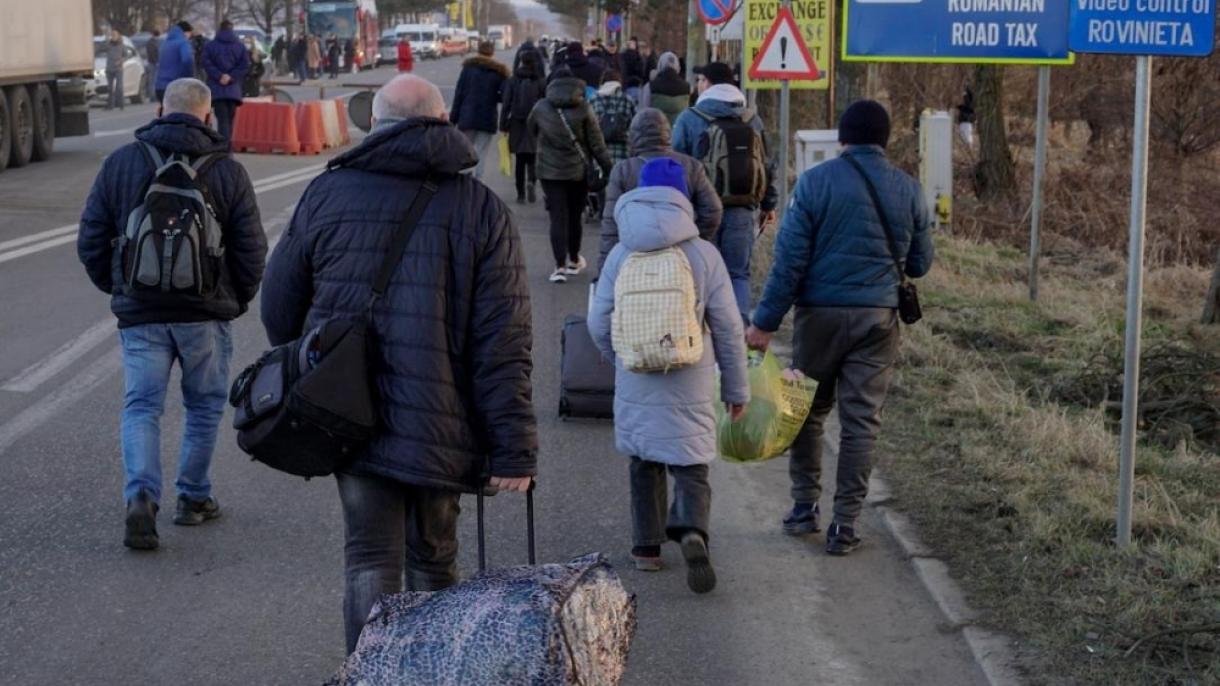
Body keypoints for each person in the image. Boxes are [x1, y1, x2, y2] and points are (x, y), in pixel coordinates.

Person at [259, 74, 537, 654]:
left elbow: (280, 309)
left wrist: (312, 369)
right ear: (443, 122)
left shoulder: (327, 193)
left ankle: (371, 672)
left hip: (347, 414)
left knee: (368, 559)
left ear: (373, 124)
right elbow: (502, 339)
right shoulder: (481, 208)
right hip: (443, 422)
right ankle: (432, 669)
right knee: (435, 561)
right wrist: (512, 446)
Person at [77, 77, 267, 551]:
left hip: (141, 313)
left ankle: (141, 493)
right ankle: (193, 497)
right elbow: (251, 249)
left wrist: (119, 287)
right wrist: (235, 299)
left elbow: (91, 240)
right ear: (207, 115)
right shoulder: (228, 170)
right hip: (204, 313)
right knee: (202, 406)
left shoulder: (122, 162)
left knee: (142, 406)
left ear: (160, 109)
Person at [745, 100, 934, 556]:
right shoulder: (909, 189)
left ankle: (803, 507)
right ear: (885, 140)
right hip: (878, 318)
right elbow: (920, 263)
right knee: (861, 422)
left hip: (819, 318)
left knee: (806, 412)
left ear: (842, 139)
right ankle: (845, 524)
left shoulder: (814, 184)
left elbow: (789, 263)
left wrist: (764, 323)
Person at [588, 157, 749, 594]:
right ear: (683, 198)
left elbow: (598, 319)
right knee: (691, 463)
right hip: (690, 374)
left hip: (637, 370)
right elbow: (731, 327)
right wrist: (736, 388)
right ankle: (692, 530)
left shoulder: (623, 251)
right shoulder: (703, 254)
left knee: (644, 460)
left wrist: (621, 355)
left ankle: (646, 549)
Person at [673, 61, 778, 323]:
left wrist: (677, 208)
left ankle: (702, 334)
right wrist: (769, 204)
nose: (697, 85)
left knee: (701, 272)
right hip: (742, 209)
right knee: (738, 274)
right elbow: (767, 164)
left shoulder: (690, 118)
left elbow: (677, 165)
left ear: (708, 83)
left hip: (701, 211)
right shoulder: (753, 119)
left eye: (700, 80)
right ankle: (739, 332)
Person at [599, 108, 722, 273]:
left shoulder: (623, 170)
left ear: (633, 136)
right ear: (668, 133)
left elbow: (611, 224)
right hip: (681, 253)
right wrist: (693, 236)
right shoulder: (692, 166)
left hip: (635, 254)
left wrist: (606, 267)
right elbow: (713, 210)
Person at [528, 67, 613, 284]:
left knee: (557, 217)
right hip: (578, 171)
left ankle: (559, 266)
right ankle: (574, 259)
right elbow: (596, 142)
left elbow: (532, 130)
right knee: (575, 216)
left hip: (549, 171)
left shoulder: (541, 107)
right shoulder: (583, 108)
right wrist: (609, 167)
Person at [450, 41, 508, 180]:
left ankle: (465, 179)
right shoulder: (499, 72)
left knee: (466, 150)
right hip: (487, 118)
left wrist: (453, 119)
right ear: (492, 52)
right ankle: (478, 181)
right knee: (481, 151)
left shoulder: (467, 69)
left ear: (478, 51)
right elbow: (505, 96)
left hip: (467, 116)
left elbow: (459, 94)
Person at [499, 48, 546, 204]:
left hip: (516, 122)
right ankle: (531, 181)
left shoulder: (513, 80)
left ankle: (520, 194)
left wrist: (503, 123)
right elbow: (545, 104)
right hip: (536, 122)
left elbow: (506, 103)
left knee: (520, 159)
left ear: (521, 62)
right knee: (533, 156)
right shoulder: (540, 81)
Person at [202, 20, 250, 141]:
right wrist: (231, 76)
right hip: (233, 89)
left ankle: (223, 147)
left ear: (220, 29)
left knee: (222, 119)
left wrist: (219, 76)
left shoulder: (210, 45)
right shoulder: (239, 46)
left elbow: (206, 63)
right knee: (230, 120)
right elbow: (244, 66)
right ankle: (227, 147)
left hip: (216, 88)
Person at [589, 70, 636, 169]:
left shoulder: (593, 100)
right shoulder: (628, 100)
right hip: (623, 154)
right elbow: (634, 128)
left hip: (600, 155)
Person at [639, 51, 689, 125]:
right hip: (677, 132)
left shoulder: (650, 87)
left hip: (656, 132)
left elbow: (643, 113)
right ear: (678, 67)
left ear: (659, 65)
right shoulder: (687, 87)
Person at [154, 22, 195, 102]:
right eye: (190, 34)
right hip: (176, 87)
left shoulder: (164, 43)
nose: (190, 37)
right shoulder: (183, 43)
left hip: (160, 87)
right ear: (186, 32)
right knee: (181, 112)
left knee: (167, 112)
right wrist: (189, 78)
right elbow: (187, 60)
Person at [104, 30, 125, 111]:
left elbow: (126, 54)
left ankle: (121, 104)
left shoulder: (121, 45)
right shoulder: (108, 44)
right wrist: (106, 39)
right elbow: (101, 48)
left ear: (118, 36)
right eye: (112, 35)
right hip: (109, 68)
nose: (113, 36)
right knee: (110, 88)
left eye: (115, 35)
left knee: (119, 87)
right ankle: (110, 105)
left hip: (118, 69)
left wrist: (121, 61)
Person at [145, 30, 161, 100]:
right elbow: (152, 53)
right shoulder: (151, 43)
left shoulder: (155, 42)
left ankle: (153, 95)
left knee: (154, 80)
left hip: (154, 62)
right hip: (152, 63)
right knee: (152, 80)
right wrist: (156, 62)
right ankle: (152, 95)